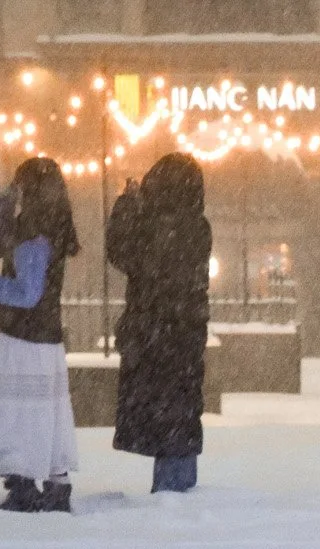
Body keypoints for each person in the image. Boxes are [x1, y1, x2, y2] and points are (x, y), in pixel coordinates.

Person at [0, 157, 83, 513]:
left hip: (22, 338)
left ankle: (23, 485)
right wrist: (7, 196)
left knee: (16, 414)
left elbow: (26, 294)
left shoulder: (32, 233)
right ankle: (55, 483)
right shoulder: (54, 225)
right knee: (47, 414)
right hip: (46, 339)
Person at [107, 153, 212, 493]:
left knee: (168, 416)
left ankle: (171, 493)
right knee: (180, 412)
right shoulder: (196, 226)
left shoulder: (159, 228)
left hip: (156, 335)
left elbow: (125, 253)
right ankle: (179, 484)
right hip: (182, 336)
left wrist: (127, 207)